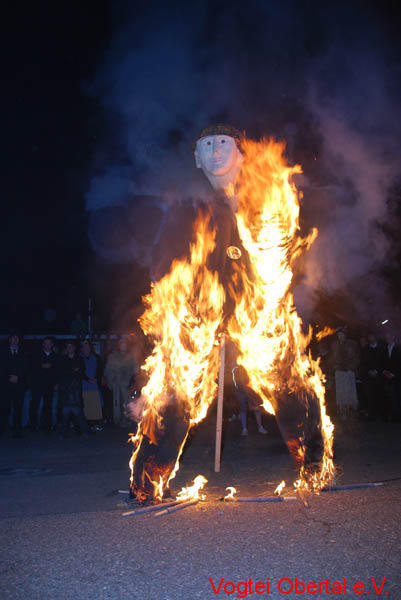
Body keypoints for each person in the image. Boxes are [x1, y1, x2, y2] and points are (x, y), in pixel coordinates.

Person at [127, 124, 327, 503]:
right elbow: (164, 269)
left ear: (241, 153)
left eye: (223, 144)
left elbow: (290, 254)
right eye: (206, 146)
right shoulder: (186, 206)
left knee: (287, 381)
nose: (215, 151)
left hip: (257, 307)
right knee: (175, 392)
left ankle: (316, 465)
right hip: (200, 308)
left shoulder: (269, 196)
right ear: (196, 159)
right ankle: (147, 484)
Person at [58, 341, 90, 438]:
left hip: (76, 389)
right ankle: (62, 433)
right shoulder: (62, 359)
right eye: (68, 346)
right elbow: (62, 373)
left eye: (71, 346)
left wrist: (72, 371)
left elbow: (81, 372)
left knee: (79, 412)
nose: (70, 348)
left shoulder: (79, 359)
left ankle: (84, 431)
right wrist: (73, 371)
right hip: (65, 389)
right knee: (64, 413)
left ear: (74, 348)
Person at [0, 333, 28, 438]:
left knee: (18, 409)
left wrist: (18, 377)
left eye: (17, 338)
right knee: (4, 408)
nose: (15, 340)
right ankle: (2, 429)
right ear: (9, 340)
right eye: (13, 338)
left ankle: (17, 431)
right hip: (5, 386)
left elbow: (26, 368)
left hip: (19, 385)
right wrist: (9, 377)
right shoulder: (2, 353)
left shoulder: (24, 353)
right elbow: (1, 367)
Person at [104, 338, 137, 426]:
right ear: (119, 346)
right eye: (122, 344)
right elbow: (108, 370)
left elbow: (135, 369)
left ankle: (126, 419)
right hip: (116, 384)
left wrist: (134, 381)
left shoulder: (130, 357)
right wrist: (111, 378)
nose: (123, 346)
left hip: (126, 384)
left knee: (127, 402)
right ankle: (117, 420)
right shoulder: (113, 357)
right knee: (116, 403)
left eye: (125, 344)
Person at [329, 328, 360, 418]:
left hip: (349, 372)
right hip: (339, 372)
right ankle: (342, 412)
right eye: (339, 335)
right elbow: (331, 358)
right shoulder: (334, 345)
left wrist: (351, 367)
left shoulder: (352, 344)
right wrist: (334, 366)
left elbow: (356, 358)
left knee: (350, 392)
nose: (340, 336)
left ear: (345, 335)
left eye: (342, 334)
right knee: (341, 393)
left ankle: (351, 412)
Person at [29, 337, 58, 432]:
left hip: (49, 385)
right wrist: (41, 366)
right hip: (37, 385)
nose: (47, 345)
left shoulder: (55, 356)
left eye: (49, 343)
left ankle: (46, 427)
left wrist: (56, 384)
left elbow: (57, 372)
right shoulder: (36, 355)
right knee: (34, 405)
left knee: (48, 406)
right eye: (45, 343)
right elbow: (31, 369)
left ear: (52, 344)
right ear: (43, 344)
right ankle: (32, 426)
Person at [232, 365, 268, 436]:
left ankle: (260, 427)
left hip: (251, 390)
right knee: (243, 410)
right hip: (240, 391)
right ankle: (244, 429)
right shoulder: (236, 368)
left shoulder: (250, 363)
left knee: (256, 408)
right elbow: (235, 382)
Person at [361, 333, 385, 420]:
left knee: (380, 395)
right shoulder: (365, 349)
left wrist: (377, 371)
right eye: (369, 336)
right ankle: (372, 415)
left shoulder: (382, 348)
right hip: (369, 376)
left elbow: (384, 361)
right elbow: (363, 362)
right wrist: (369, 371)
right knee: (370, 396)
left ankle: (382, 414)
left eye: (372, 336)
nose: (371, 338)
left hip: (379, 376)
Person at [81, 339, 103, 429]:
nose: (86, 348)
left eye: (87, 346)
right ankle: (86, 423)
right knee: (85, 404)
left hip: (94, 384)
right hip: (84, 384)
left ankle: (95, 423)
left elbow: (100, 369)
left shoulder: (96, 357)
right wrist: (87, 379)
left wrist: (96, 378)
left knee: (95, 403)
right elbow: (79, 371)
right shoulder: (79, 358)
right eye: (84, 346)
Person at [381, 327, 401, 421]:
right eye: (386, 336)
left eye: (390, 336)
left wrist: (395, 374)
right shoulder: (385, 349)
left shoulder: (398, 348)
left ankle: (397, 416)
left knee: (397, 396)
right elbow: (383, 362)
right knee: (390, 396)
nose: (388, 338)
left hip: (397, 377)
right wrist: (384, 371)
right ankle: (393, 415)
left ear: (393, 337)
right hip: (387, 377)